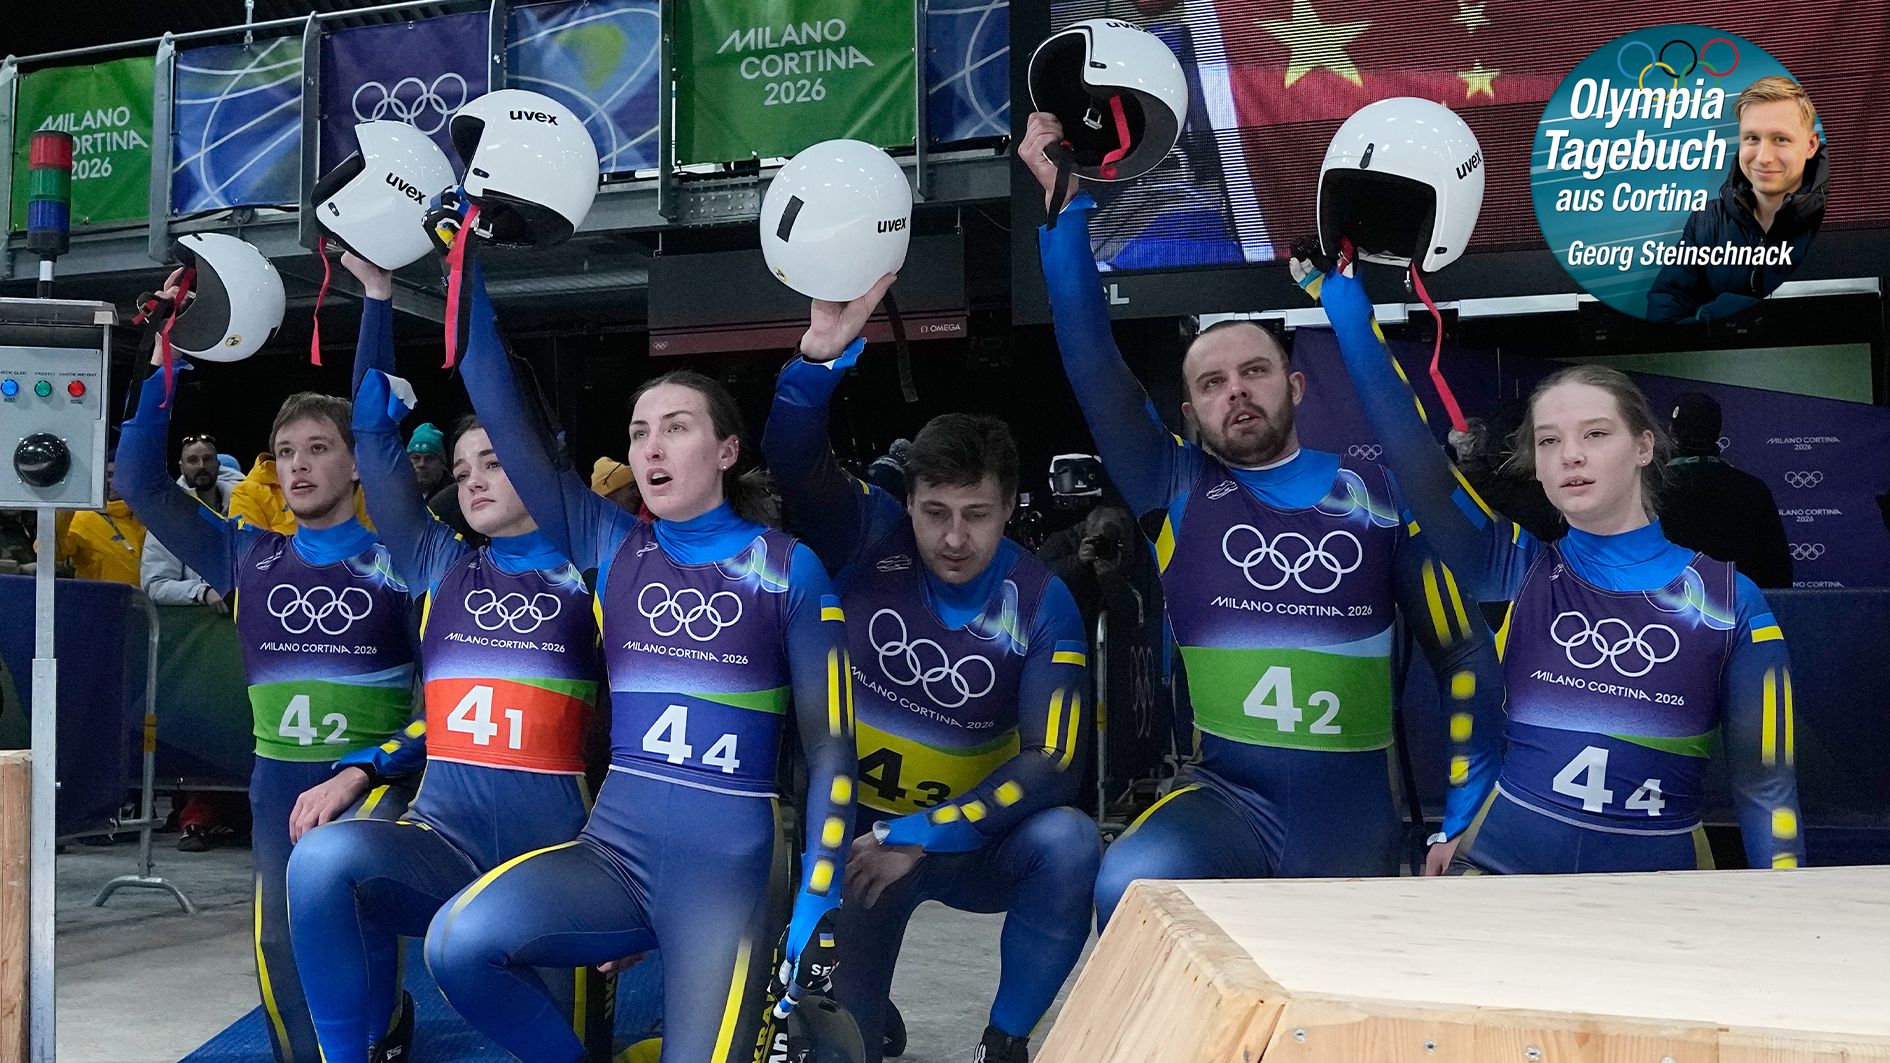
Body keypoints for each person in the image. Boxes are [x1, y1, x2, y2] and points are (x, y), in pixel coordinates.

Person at [1027, 111, 1507, 929]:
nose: (1235, 390)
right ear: (1188, 411)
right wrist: (1066, 210)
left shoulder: (1380, 490)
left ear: (1296, 387)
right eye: (1212, 383)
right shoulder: (1172, 483)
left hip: (1353, 825)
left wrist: (1466, 806)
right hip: (1226, 809)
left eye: (1255, 371)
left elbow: (1462, 650)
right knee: (1129, 884)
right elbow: (1090, 361)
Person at [423, 259, 856, 1063]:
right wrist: (467, 261)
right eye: (637, 431)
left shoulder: (789, 568)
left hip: (728, 873)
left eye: (677, 426)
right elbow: (500, 406)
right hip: (614, 852)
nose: (652, 447)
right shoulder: (611, 546)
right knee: (458, 942)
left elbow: (831, 747)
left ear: (727, 450)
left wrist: (816, 895)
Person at [1319, 262, 1806, 873]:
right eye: (1549, 441)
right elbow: (1418, 463)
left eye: (1595, 433)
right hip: (1502, 874)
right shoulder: (1512, 569)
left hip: (1663, 902)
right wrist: (1346, 310)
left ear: (1645, 447)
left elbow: (1768, 792)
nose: (1570, 454)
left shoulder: (1734, 604)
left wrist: (1789, 917)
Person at [286, 253, 609, 1063]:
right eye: (462, 469)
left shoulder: (600, 567)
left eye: (494, 461)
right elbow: (370, 432)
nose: (472, 480)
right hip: (447, 840)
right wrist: (377, 296)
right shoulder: (438, 564)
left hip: (565, 857)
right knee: (323, 859)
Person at [764, 286, 1097, 1063]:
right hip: (849, 841)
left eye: (977, 513)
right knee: (835, 1048)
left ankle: (1004, 1041)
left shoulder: (1045, 604)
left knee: (1074, 842)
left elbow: (1053, 764)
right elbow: (790, 457)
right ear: (905, 499)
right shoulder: (868, 532)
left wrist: (921, 833)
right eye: (934, 510)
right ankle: (867, 1015)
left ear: (1011, 506)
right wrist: (818, 356)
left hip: (958, 842)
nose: (953, 537)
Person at [115, 270, 425, 1063]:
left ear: (358, 464)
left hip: (373, 789)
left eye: (320, 448)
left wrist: (379, 302)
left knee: (357, 932)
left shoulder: (405, 561)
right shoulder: (243, 552)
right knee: (284, 963)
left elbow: (376, 410)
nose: (297, 464)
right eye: (285, 451)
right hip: (276, 790)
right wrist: (163, 355)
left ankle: (385, 1033)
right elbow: (141, 483)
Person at [139, 430, 247, 853]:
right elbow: (152, 583)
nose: (201, 466)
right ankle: (197, 820)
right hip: (199, 650)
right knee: (207, 734)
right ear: (180, 468)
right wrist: (201, 592)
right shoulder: (167, 514)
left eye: (208, 458)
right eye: (192, 460)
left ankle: (242, 817)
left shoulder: (246, 500)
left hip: (251, 643)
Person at [1646, 76, 1827, 323]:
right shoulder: (1705, 222)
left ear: (1810, 145)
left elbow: (1839, 316)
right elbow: (1663, 313)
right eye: (1752, 138)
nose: (1763, 157)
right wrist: (1712, 321)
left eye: (1780, 139)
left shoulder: (1839, 217)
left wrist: (1730, 314)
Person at [1661, 392, 1792, 589]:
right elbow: (1778, 571)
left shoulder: (1648, 490)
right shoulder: (1752, 490)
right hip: (1739, 613)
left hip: (1661, 615)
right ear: (1719, 431)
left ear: (1672, 432)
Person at [53, 452, 146, 584]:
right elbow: (54, 552)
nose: (112, 481)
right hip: (98, 601)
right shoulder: (81, 518)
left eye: (119, 475)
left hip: (144, 602)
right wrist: (63, 513)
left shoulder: (145, 517)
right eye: (108, 475)